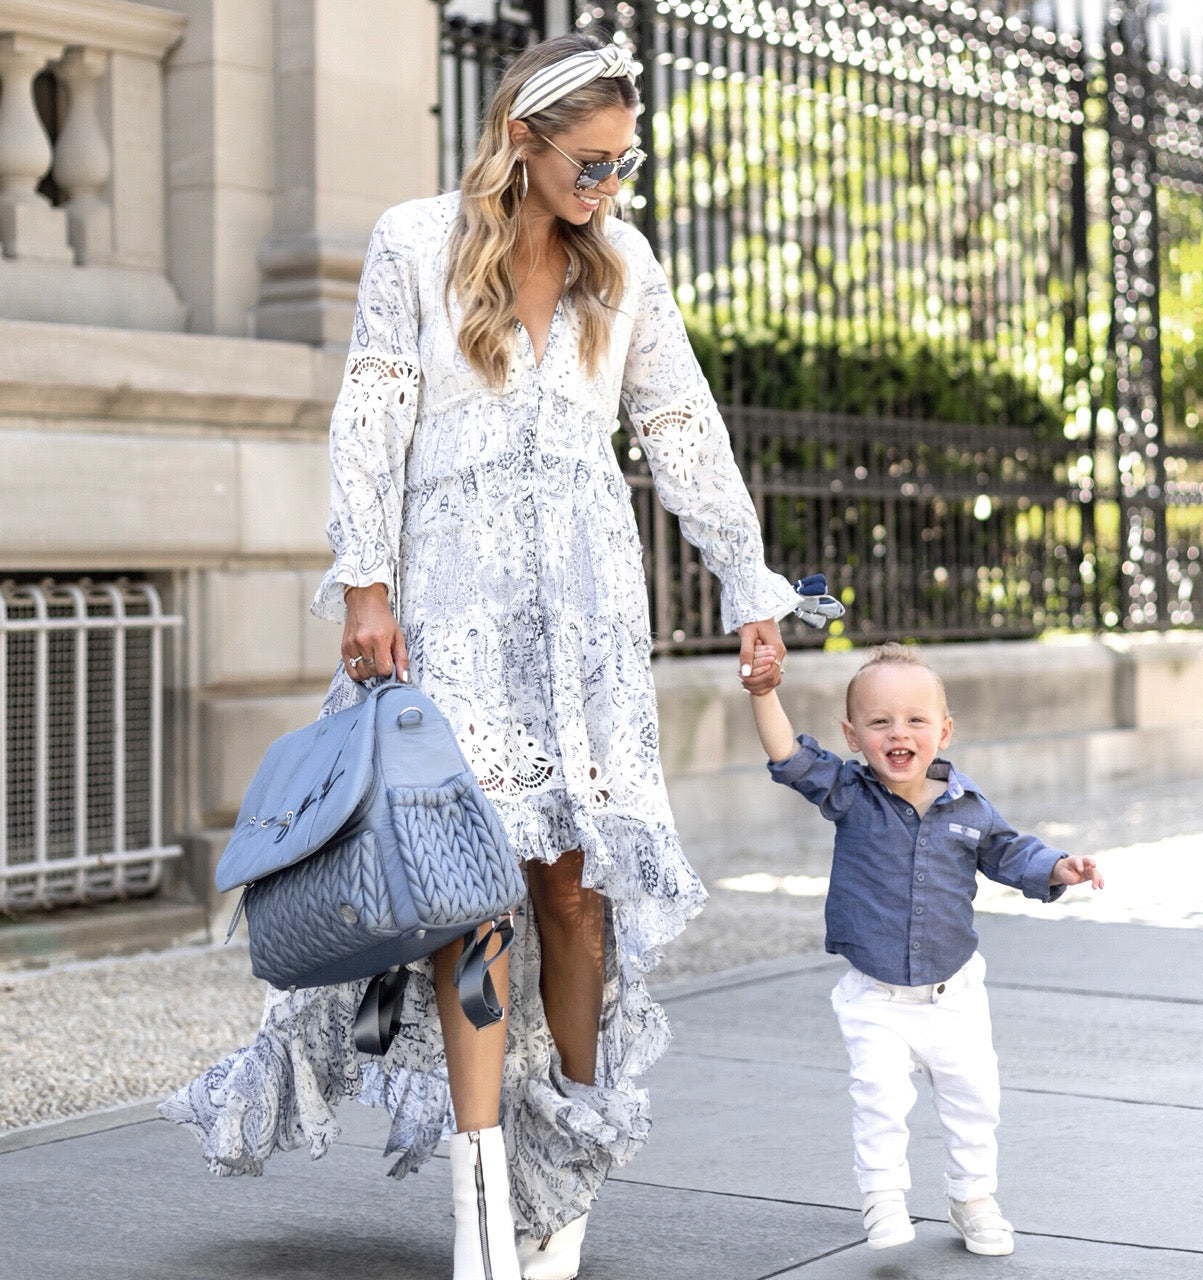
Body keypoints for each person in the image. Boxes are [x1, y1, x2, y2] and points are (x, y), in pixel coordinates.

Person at [160, 29, 795, 1280]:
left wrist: (746, 582)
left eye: (626, 162)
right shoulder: (411, 242)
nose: (610, 186)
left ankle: (559, 1184)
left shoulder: (626, 264)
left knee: (571, 885)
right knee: (468, 887)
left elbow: (680, 425)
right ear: (520, 137)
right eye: (591, 162)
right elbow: (371, 411)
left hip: (584, 614)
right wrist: (364, 581)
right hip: (446, 607)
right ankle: (479, 1182)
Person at [742, 641, 1103, 1257]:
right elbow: (789, 756)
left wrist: (1058, 868)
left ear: (945, 730)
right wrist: (763, 693)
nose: (898, 733)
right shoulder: (851, 794)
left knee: (974, 1101)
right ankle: (882, 1198)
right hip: (874, 996)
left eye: (915, 720)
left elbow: (1011, 853)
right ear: (854, 736)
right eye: (879, 722)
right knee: (879, 1100)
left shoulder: (969, 806)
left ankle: (973, 1198)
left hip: (953, 995)